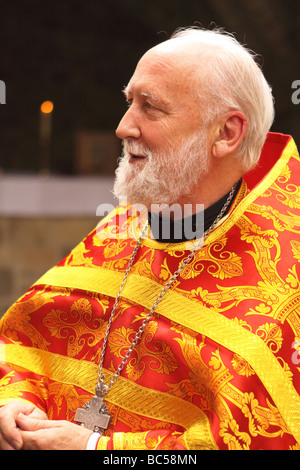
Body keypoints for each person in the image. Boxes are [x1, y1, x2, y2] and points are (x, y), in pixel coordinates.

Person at [0, 26, 299, 451]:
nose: (124, 128)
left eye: (150, 108)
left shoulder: (288, 267)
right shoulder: (132, 221)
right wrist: (15, 403)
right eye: (129, 103)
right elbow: (25, 340)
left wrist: (96, 450)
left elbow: (260, 438)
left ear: (227, 133)